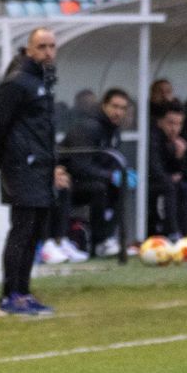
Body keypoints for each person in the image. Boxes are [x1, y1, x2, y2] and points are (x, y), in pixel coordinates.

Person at [0, 26, 67, 317]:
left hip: (40, 168)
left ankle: (24, 292)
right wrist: (11, 159)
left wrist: (52, 163)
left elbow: (41, 131)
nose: (48, 52)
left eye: (52, 46)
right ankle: (10, 296)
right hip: (23, 168)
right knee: (21, 230)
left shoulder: (42, 82)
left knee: (33, 232)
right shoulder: (17, 83)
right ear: (29, 50)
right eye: (42, 47)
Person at [61, 87, 133, 260]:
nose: (118, 112)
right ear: (104, 106)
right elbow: (79, 165)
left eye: (123, 108)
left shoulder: (113, 131)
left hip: (92, 180)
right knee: (99, 188)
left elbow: (108, 161)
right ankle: (99, 241)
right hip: (69, 180)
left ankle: (107, 238)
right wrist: (110, 176)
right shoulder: (89, 127)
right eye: (114, 106)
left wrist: (118, 174)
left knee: (120, 187)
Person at [149, 100, 187, 239]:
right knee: (169, 185)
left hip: (165, 182)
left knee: (182, 187)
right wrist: (169, 177)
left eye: (179, 124)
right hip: (148, 184)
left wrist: (179, 157)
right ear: (160, 122)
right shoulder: (152, 138)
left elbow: (185, 175)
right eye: (170, 123)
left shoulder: (178, 141)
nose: (175, 128)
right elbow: (154, 169)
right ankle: (172, 232)